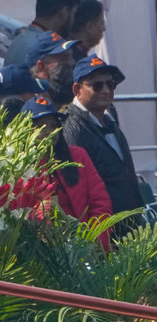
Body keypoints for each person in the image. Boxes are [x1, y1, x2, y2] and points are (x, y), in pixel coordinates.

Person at [62, 54, 144, 235]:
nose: (106, 90)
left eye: (111, 84)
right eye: (97, 86)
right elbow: (80, 190)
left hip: (128, 225)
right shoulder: (73, 129)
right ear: (77, 89)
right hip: (106, 231)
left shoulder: (108, 119)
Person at [22, 96, 113, 249]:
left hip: (85, 247)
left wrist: (94, 243)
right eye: (41, 127)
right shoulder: (20, 165)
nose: (49, 132)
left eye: (52, 126)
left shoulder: (78, 156)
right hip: (41, 253)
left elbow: (101, 204)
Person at [4, 0, 81, 67]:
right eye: (73, 13)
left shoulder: (18, 41)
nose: (73, 21)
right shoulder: (46, 53)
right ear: (64, 13)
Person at [26, 30, 78, 108]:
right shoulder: (29, 109)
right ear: (41, 67)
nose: (72, 62)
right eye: (64, 58)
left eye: (71, 56)